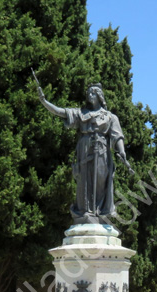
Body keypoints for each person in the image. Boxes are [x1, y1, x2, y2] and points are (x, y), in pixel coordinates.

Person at [37, 81, 133, 224]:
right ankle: (84, 212)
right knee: (83, 183)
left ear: (99, 95)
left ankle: (101, 213)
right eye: (88, 92)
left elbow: (117, 135)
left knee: (101, 181)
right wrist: (44, 101)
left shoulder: (110, 117)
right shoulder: (81, 113)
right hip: (84, 150)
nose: (89, 94)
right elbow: (60, 111)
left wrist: (122, 151)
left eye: (92, 92)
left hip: (101, 152)